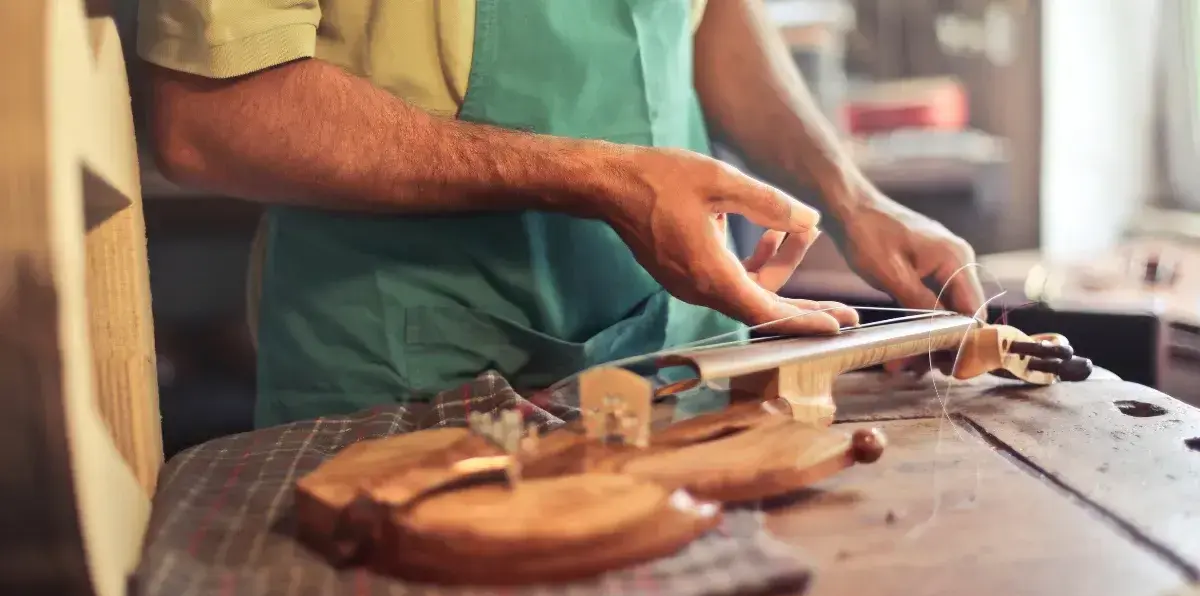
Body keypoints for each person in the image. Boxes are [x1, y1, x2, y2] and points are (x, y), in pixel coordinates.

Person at [137, 0, 984, 428]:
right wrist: (600, 177)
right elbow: (211, 117)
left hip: (686, 359)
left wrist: (851, 197)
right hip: (408, 375)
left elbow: (711, 17)